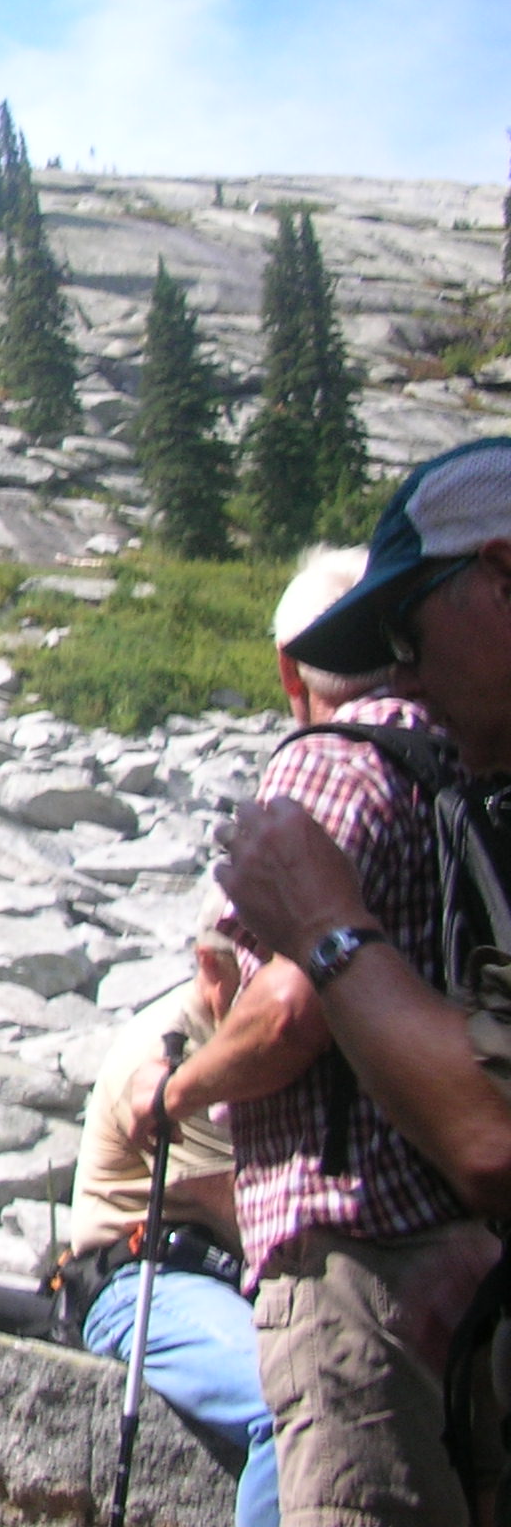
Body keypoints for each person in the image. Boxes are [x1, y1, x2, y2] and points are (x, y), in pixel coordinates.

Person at [147, 531, 499, 1527]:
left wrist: (181, 1091)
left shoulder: (327, 761)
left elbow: (292, 1007)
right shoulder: (465, 762)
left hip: (355, 1252)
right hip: (472, 1242)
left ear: (290, 670)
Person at [222, 438, 511, 1214]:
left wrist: (326, 928)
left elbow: (495, 1139)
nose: (402, 682)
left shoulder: (327, 761)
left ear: (503, 581)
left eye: (406, 638)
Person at [69, 899, 329, 1527]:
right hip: (142, 1280)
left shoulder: (250, 1049)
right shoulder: (171, 1049)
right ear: (212, 965)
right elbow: (248, 1213)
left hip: (219, 1281)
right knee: (290, 1407)